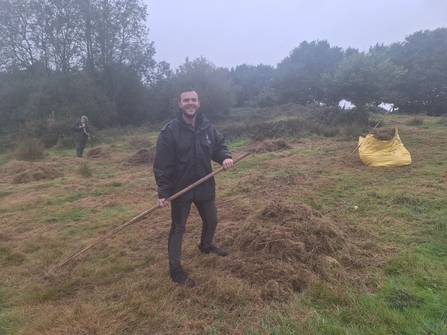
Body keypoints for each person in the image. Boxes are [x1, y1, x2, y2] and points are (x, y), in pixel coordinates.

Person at [153, 89, 234, 287]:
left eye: (194, 100)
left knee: (212, 220)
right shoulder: (170, 131)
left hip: (204, 183)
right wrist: (164, 192)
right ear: (180, 104)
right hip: (181, 188)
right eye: (186, 100)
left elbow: (218, 146)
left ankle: (205, 246)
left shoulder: (207, 127)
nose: (190, 103)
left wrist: (225, 156)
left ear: (199, 103)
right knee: (178, 228)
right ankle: (175, 269)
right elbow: (162, 165)